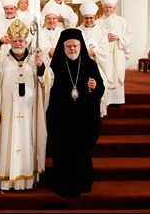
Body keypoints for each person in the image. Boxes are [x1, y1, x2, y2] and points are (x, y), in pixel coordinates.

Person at [0, 19, 54, 191]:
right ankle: (7, 178)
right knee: (8, 142)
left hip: (30, 113)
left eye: (21, 40)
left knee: (28, 141)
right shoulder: (3, 63)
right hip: (8, 114)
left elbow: (47, 81)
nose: (18, 43)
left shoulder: (36, 61)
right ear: (10, 43)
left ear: (26, 42)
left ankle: (28, 179)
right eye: (14, 41)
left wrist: (41, 68)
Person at [44, 28, 105, 198]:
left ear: (81, 45)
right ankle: (63, 183)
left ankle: (83, 181)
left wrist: (95, 88)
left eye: (75, 46)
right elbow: (48, 89)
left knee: (81, 151)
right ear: (62, 47)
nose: (72, 49)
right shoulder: (56, 64)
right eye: (69, 46)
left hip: (83, 118)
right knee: (63, 152)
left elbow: (100, 88)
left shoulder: (90, 64)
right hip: (63, 118)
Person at [96, 0, 133, 108]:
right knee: (105, 74)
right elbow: (95, 38)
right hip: (104, 55)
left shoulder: (121, 21)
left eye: (110, 7)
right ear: (102, 8)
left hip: (117, 52)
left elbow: (128, 35)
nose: (108, 9)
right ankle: (105, 100)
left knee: (117, 73)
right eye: (106, 7)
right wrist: (104, 39)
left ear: (114, 8)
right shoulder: (98, 23)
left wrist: (118, 37)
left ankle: (116, 100)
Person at [78, 0, 110, 117]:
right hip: (81, 65)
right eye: (86, 18)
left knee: (98, 84)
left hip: (98, 64)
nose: (89, 20)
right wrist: (83, 52)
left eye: (91, 18)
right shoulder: (77, 31)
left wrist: (94, 51)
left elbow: (104, 49)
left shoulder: (101, 31)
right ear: (83, 18)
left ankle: (99, 111)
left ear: (95, 17)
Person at [38, 0, 64, 65]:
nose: (51, 20)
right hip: (43, 64)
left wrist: (57, 51)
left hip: (60, 63)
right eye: (48, 18)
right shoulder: (39, 33)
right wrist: (48, 50)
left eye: (54, 18)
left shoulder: (63, 32)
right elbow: (34, 47)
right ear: (45, 20)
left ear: (57, 19)